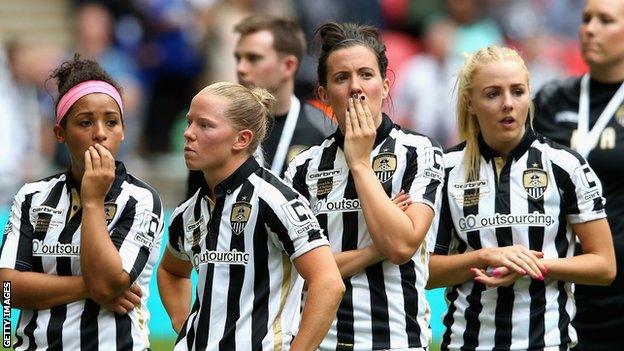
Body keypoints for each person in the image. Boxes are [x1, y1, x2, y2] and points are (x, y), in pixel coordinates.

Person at [430, 46, 616, 351]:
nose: (508, 104)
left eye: (517, 92)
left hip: (549, 343)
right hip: (467, 343)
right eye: (493, 94)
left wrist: (534, 265)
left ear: (529, 95)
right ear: (470, 102)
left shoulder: (566, 166)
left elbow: (605, 266)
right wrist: (485, 257)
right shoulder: (445, 169)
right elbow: (423, 273)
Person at [284, 22, 444, 350]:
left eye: (366, 75)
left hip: (398, 341)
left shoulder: (419, 150)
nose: (356, 87)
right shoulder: (302, 167)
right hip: (324, 343)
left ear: (385, 86)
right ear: (325, 94)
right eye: (342, 78)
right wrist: (374, 250)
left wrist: (359, 164)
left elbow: (401, 248)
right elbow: (300, 270)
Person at [157, 82, 344, 351]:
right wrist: (184, 324)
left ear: (241, 139)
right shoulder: (187, 212)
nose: (188, 134)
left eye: (205, 125)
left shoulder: (276, 200)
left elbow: (328, 283)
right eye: (190, 122)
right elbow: (171, 271)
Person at [0, 55, 164, 350]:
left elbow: (106, 283)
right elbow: (7, 288)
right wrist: (91, 289)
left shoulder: (140, 200)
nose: (100, 133)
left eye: (111, 122)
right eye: (85, 122)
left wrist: (92, 201)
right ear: (60, 133)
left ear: (123, 130)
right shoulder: (31, 197)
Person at [532, 1, 624, 349]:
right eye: (586, 19)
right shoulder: (552, 99)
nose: (590, 28)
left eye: (605, 21)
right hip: (559, 286)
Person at [187, 14, 335, 197]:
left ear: (288, 66)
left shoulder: (323, 131)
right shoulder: (215, 128)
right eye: (238, 58)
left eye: (253, 58)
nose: (240, 68)